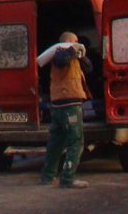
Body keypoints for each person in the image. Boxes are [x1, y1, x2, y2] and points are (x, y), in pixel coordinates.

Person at [37, 31, 92, 189]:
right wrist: (71, 49)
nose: (77, 42)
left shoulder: (75, 58)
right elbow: (61, 61)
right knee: (76, 140)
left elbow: (89, 68)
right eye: (75, 40)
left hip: (59, 105)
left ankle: (48, 175)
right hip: (69, 106)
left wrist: (80, 54)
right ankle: (67, 178)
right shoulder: (60, 53)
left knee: (56, 141)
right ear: (68, 41)